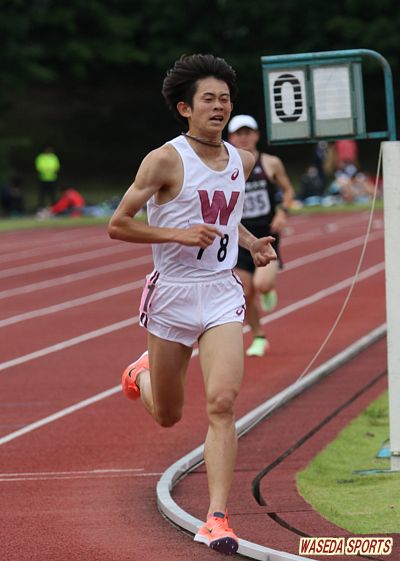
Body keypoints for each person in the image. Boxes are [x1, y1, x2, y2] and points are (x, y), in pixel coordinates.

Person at [107, 54, 277, 555]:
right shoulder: (164, 160)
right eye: (209, 99)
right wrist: (176, 234)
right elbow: (119, 224)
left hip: (221, 291)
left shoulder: (243, 161)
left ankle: (217, 519)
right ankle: (140, 374)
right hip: (173, 295)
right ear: (185, 107)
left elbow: (226, 217)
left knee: (222, 403)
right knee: (168, 415)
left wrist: (251, 243)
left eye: (225, 99)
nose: (219, 107)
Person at [228, 115, 294, 357]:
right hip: (240, 237)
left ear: (256, 135)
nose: (244, 137)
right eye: (239, 133)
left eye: (248, 132)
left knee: (262, 284)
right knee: (244, 293)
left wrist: (282, 212)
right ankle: (258, 336)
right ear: (231, 138)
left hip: (267, 235)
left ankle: (267, 289)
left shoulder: (270, 163)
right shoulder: (225, 166)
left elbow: (288, 189)